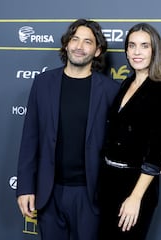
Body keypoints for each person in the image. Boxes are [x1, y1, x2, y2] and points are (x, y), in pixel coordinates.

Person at [16, 19, 120, 240]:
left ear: (98, 50)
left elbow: (123, 139)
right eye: (75, 39)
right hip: (49, 192)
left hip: (90, 195)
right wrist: (25, 187)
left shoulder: (111, 91)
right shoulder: (43, 83)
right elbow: (30, 138)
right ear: (66, 45)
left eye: (87, 42)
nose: (79, 46)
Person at [98, 23, 161, 240]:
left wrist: (135, 198)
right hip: (108, 182)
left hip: (135, 187)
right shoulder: (126, 84)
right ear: (126, 50)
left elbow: (156, 152)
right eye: (132, 45)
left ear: (155, 51)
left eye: (144, 46)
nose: (137, 52)